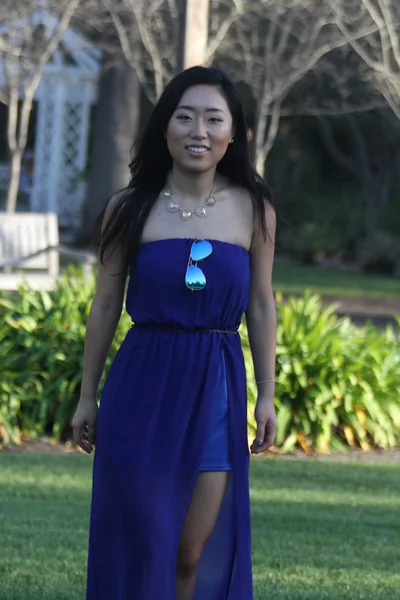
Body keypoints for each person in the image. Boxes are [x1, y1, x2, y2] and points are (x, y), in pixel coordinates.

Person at [72, 65, 277, 600]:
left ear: (234, 134)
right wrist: (87, 395)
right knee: (147, 538)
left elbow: (260, 303)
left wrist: (267, 395)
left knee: (189, 549)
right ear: (165, 127)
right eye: (184, 117)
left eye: (213, 119)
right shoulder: (129, 208)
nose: (198, 131)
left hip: (217, 386)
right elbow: (105, 304)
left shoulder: (254, 208)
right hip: (143, 382)